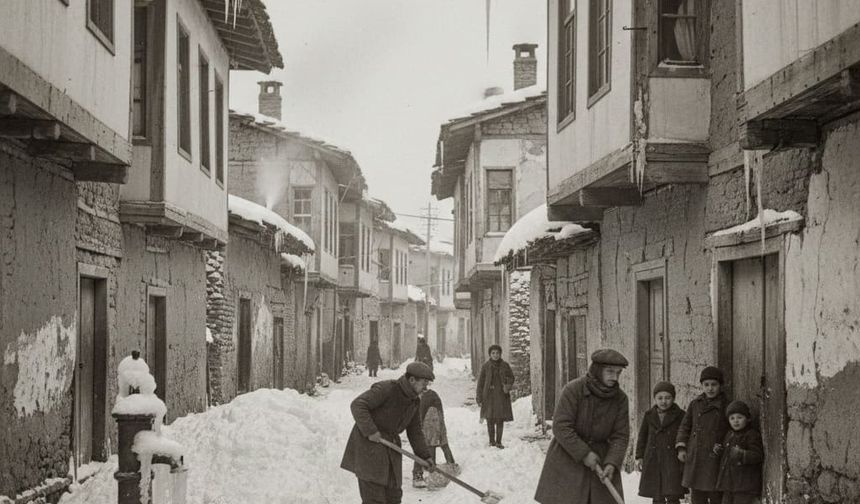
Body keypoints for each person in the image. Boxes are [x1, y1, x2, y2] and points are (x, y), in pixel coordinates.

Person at [534, 349, 630, 504]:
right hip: (568, 457)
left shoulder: (620, 399)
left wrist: (612, 462)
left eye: (618, 373)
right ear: (597, 370)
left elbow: (621, 435)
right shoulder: (573, 390)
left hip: (601, 461)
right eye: (610, 371)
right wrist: (584, 453)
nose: (615, 377)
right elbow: (561, 426)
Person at [341, 361, 436, 504]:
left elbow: (415, 431)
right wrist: (370, 430)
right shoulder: (387, 389)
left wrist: (425, 456)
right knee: (374, 499)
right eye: (424, 383)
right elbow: (358, 404)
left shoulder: (414, 401)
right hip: (370, 448)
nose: (426, 388)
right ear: (412, 380)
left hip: (391, 452)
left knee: (394, 497)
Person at [676, 366, 730, 504]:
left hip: (714, 456)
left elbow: (730, 430)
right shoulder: (695, 404)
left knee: (715, 494)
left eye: (714, 385)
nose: (710, 388)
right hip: (696, 456)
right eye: (706, 385)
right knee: (697, 495)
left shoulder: (726, 406)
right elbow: (685, 426)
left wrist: (722, 445)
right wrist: (682, 447)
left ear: (720, 386)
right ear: (702, 385)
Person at [635, 381, 687, 504]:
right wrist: (639, 456)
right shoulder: (649, 415)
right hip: (654, 459)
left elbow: (684, 434)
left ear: (673, 398)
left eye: (668, 398)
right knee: (657, 493)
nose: (664, 401)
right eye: (660, 398)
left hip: (672, 460)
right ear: (655, 399)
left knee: (672, 493)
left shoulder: (680, 415)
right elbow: (642, 437)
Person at [716, 401, 763, 504]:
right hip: (729, 484)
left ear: (748, 418)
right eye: (732, 418)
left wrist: (742, 454)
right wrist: (720, 451)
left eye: (739, 417)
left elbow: (757, 455)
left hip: (744, 485)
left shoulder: (751, 435)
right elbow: (727, 454)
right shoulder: (729, 434)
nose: (735, 421)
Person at [411, 386, 456, 488]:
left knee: (428, 447)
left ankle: (422, 474)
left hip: (432, 423)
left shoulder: (424, 398)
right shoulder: (432, 395)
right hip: (435, 423)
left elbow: (419, 416)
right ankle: (449, 466)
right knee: (434, 445)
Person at [476, 344, 515, 448]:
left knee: (499, 419)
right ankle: (491, 441)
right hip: (488, 396)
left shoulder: (505, 365)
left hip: (501, 396)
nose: (495, 355)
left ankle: (498, 442)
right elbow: (480, 383)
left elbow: (511, 377)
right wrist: (479, 397)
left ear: (500, 354)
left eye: (497, 353)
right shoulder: (486, 366)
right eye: (493, 353)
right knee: (490, 419)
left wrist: (507, 386)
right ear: (490, 354)